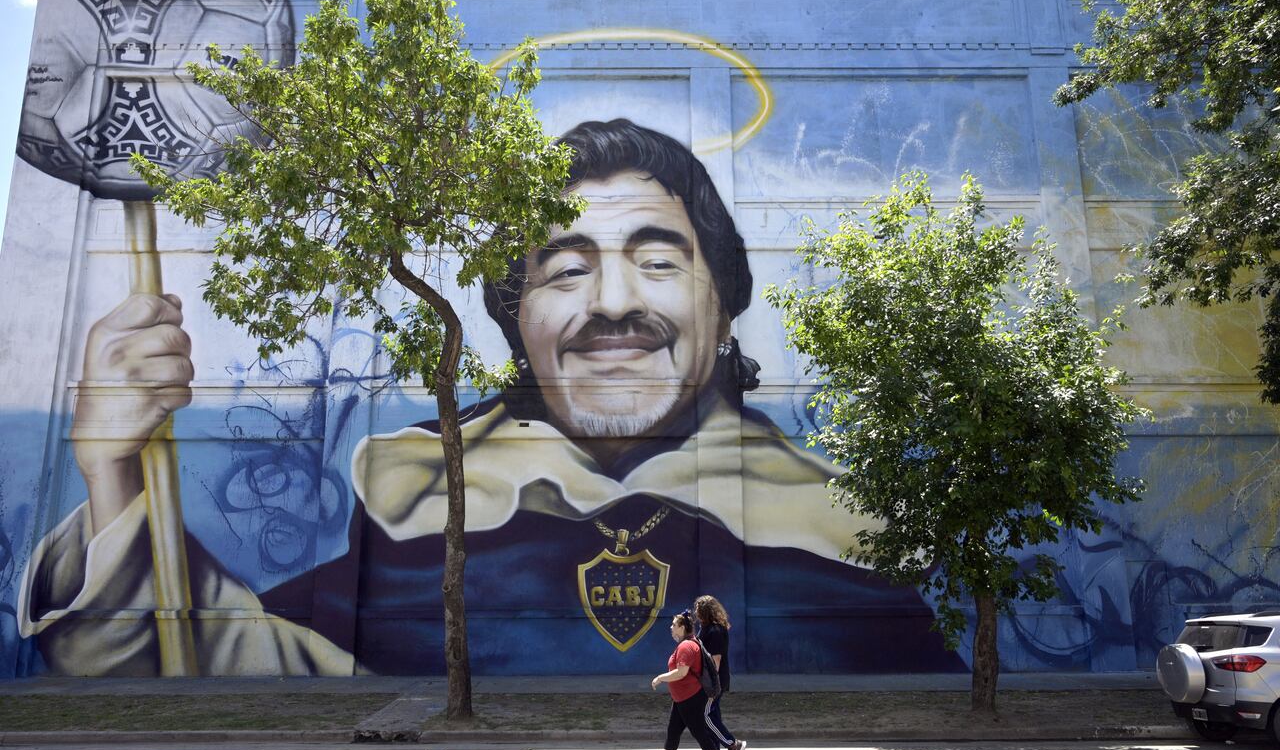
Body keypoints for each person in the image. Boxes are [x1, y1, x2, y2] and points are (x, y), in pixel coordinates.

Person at [19, 118, 964, 676]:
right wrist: (113, 473)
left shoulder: (843, 538)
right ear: (517, 321)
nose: (613, 304)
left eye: (658, 260)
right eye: (565, 269)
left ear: (726, 309)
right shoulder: (418, 506)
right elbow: (223, 660)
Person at [637, 612, 726, 750]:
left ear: (682, 627)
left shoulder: (686, 646)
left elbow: (681, 672)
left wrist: (660, 678)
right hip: (682, 698)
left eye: (674, 624)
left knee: (699, 732)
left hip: (690, 698)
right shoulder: (688, 643)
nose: (671, 627)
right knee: (673, 732)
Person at [693, 594, 745, 750]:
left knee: (705, 715)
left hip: (714, 682)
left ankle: (732, 744)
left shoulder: (715, 631)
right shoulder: (707, 627)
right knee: (713, 716)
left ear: (704, 611)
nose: (696, 613)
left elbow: (715, 660)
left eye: (698, 610)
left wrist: (710, 686)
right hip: (710, 681)